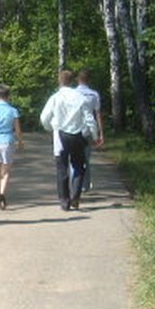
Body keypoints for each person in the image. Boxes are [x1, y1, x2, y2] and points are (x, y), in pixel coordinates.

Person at [39, 70, 98, 211]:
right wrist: (94, 136)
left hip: (60, 135)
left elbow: (44, 117)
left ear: (59, 80)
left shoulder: (55, 97)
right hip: (78, 135)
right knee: (79, 166)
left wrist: (49, 128)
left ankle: (64, 201)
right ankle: (75, 196)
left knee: (62, 169)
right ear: (72, 81)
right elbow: (90, 119)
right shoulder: (80, 98)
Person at [75, 69, 104, 191]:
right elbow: (97, 115)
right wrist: (100, 134)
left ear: (78, 79)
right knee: (86, 158)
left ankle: (75, 183)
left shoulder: (73, 93)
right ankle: (85, 185)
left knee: (74, 158)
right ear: (89, 80)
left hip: (74, 129)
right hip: (88, 129)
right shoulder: (94, 94)